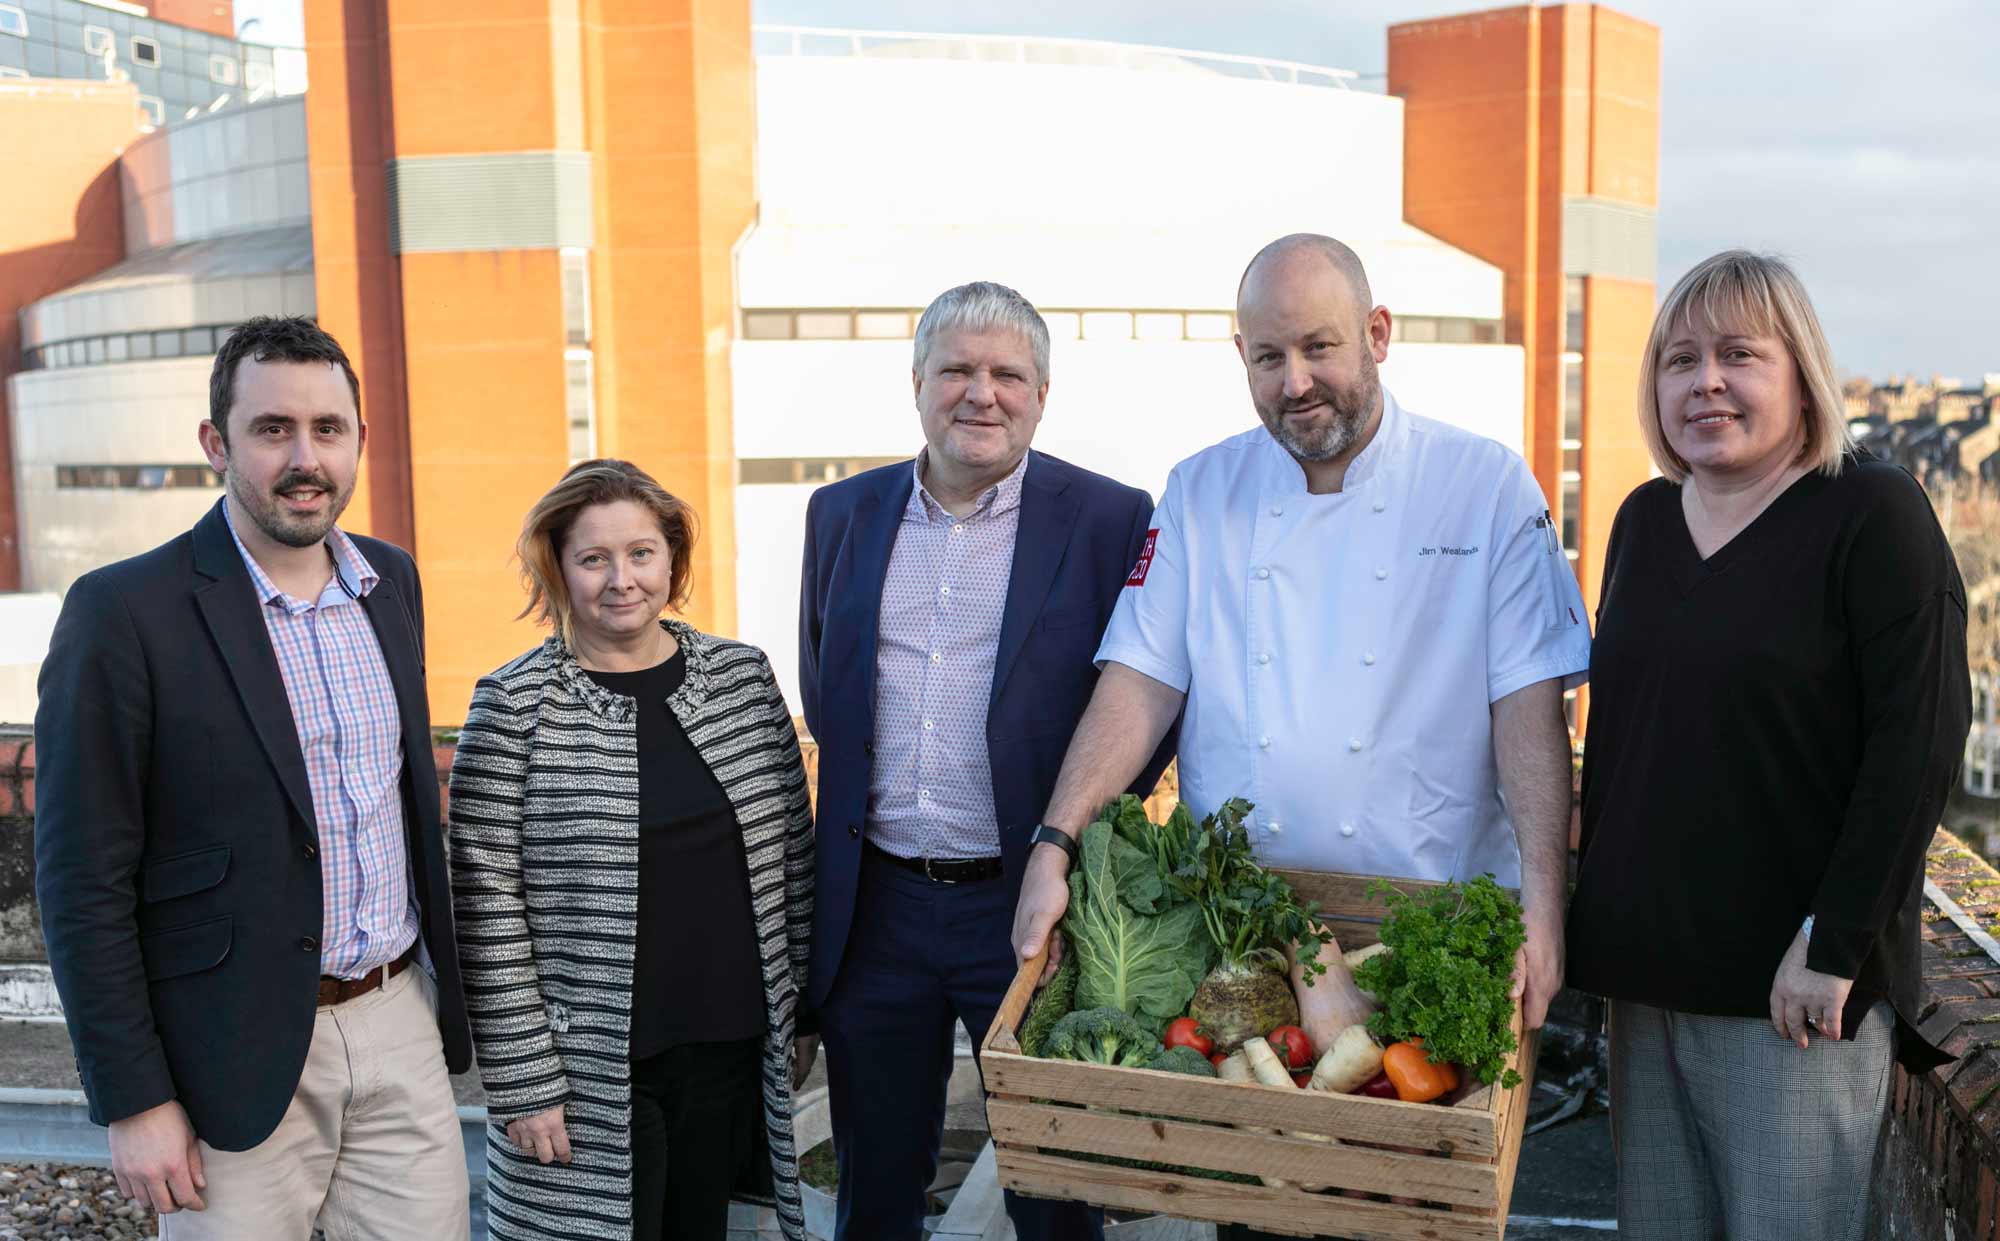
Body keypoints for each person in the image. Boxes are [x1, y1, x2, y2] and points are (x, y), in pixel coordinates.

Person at [1006, 235, 1589, 1241]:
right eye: (1266, 358)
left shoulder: (1484, 484)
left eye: (1318, 348)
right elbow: (1138, 681)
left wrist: (1544, 906)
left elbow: (1525, 711)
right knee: (1257, 1217)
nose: (1295, 382)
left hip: (1426, 930)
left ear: (1376, 336)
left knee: (1414, 1219)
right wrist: (1053, 845)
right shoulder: (1200, 489)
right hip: (1252, 950)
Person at [32, 316, 473, 1237]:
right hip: (225, 1052)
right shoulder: (123, 610)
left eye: (327, 428)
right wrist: (133, 1096)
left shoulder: (389, 582)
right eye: (273, 429)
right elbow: (81, 879)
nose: (304, 456)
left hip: (399, 1018)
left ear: (360, 439)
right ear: (215, 443)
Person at [1565, 250, 1969, 1241]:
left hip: (1789, 996)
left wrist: (1831, 944)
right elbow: (1623, 737)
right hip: (1645, 981)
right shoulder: (1644, 520)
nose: (1703, 381)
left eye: (1737, 354)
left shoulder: (1869, 514)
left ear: (1798, 371)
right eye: (1678, 359)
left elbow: (1914, 747)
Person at [798, 280, 1171, 1241]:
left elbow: (1147, 700)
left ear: (1042, 394)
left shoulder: (1108, 516)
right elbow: (822, 678)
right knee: (873, 1189)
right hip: (874, 911)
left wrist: (1077, 849)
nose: (982, 393)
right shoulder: (841, 513)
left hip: (1027, 908)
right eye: (957, 369)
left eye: (1008, 373)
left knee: (1052, 1193)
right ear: (918, 382)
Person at [448, 459, 816, 1241]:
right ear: (558, 567)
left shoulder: (744, 681)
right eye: (594, 558)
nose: (623, 579)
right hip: (587, 1076)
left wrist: (802, 1016)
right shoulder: (514, 705)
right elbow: (484, 909)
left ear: (673, 560)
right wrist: (522, 1079)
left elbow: (792, 859)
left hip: (727, 1045)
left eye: (642, 553)